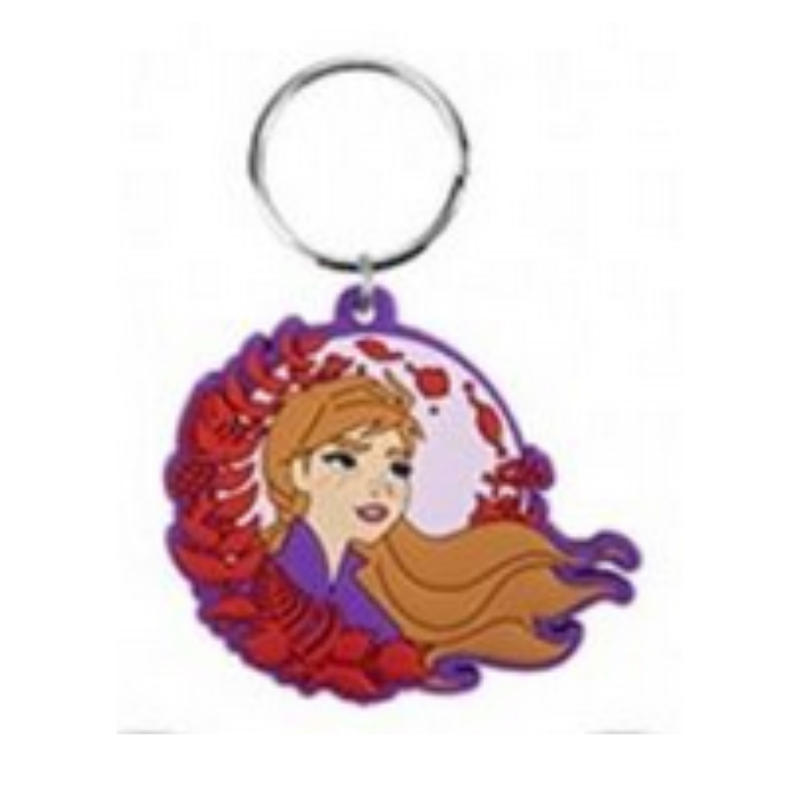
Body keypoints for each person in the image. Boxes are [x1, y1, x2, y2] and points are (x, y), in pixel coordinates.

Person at [261, 372, 633, 674]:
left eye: (398, 468)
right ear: (298, 472)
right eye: (346, 461)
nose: (380, 486)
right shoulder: (270, 578)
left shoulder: (371, 580)